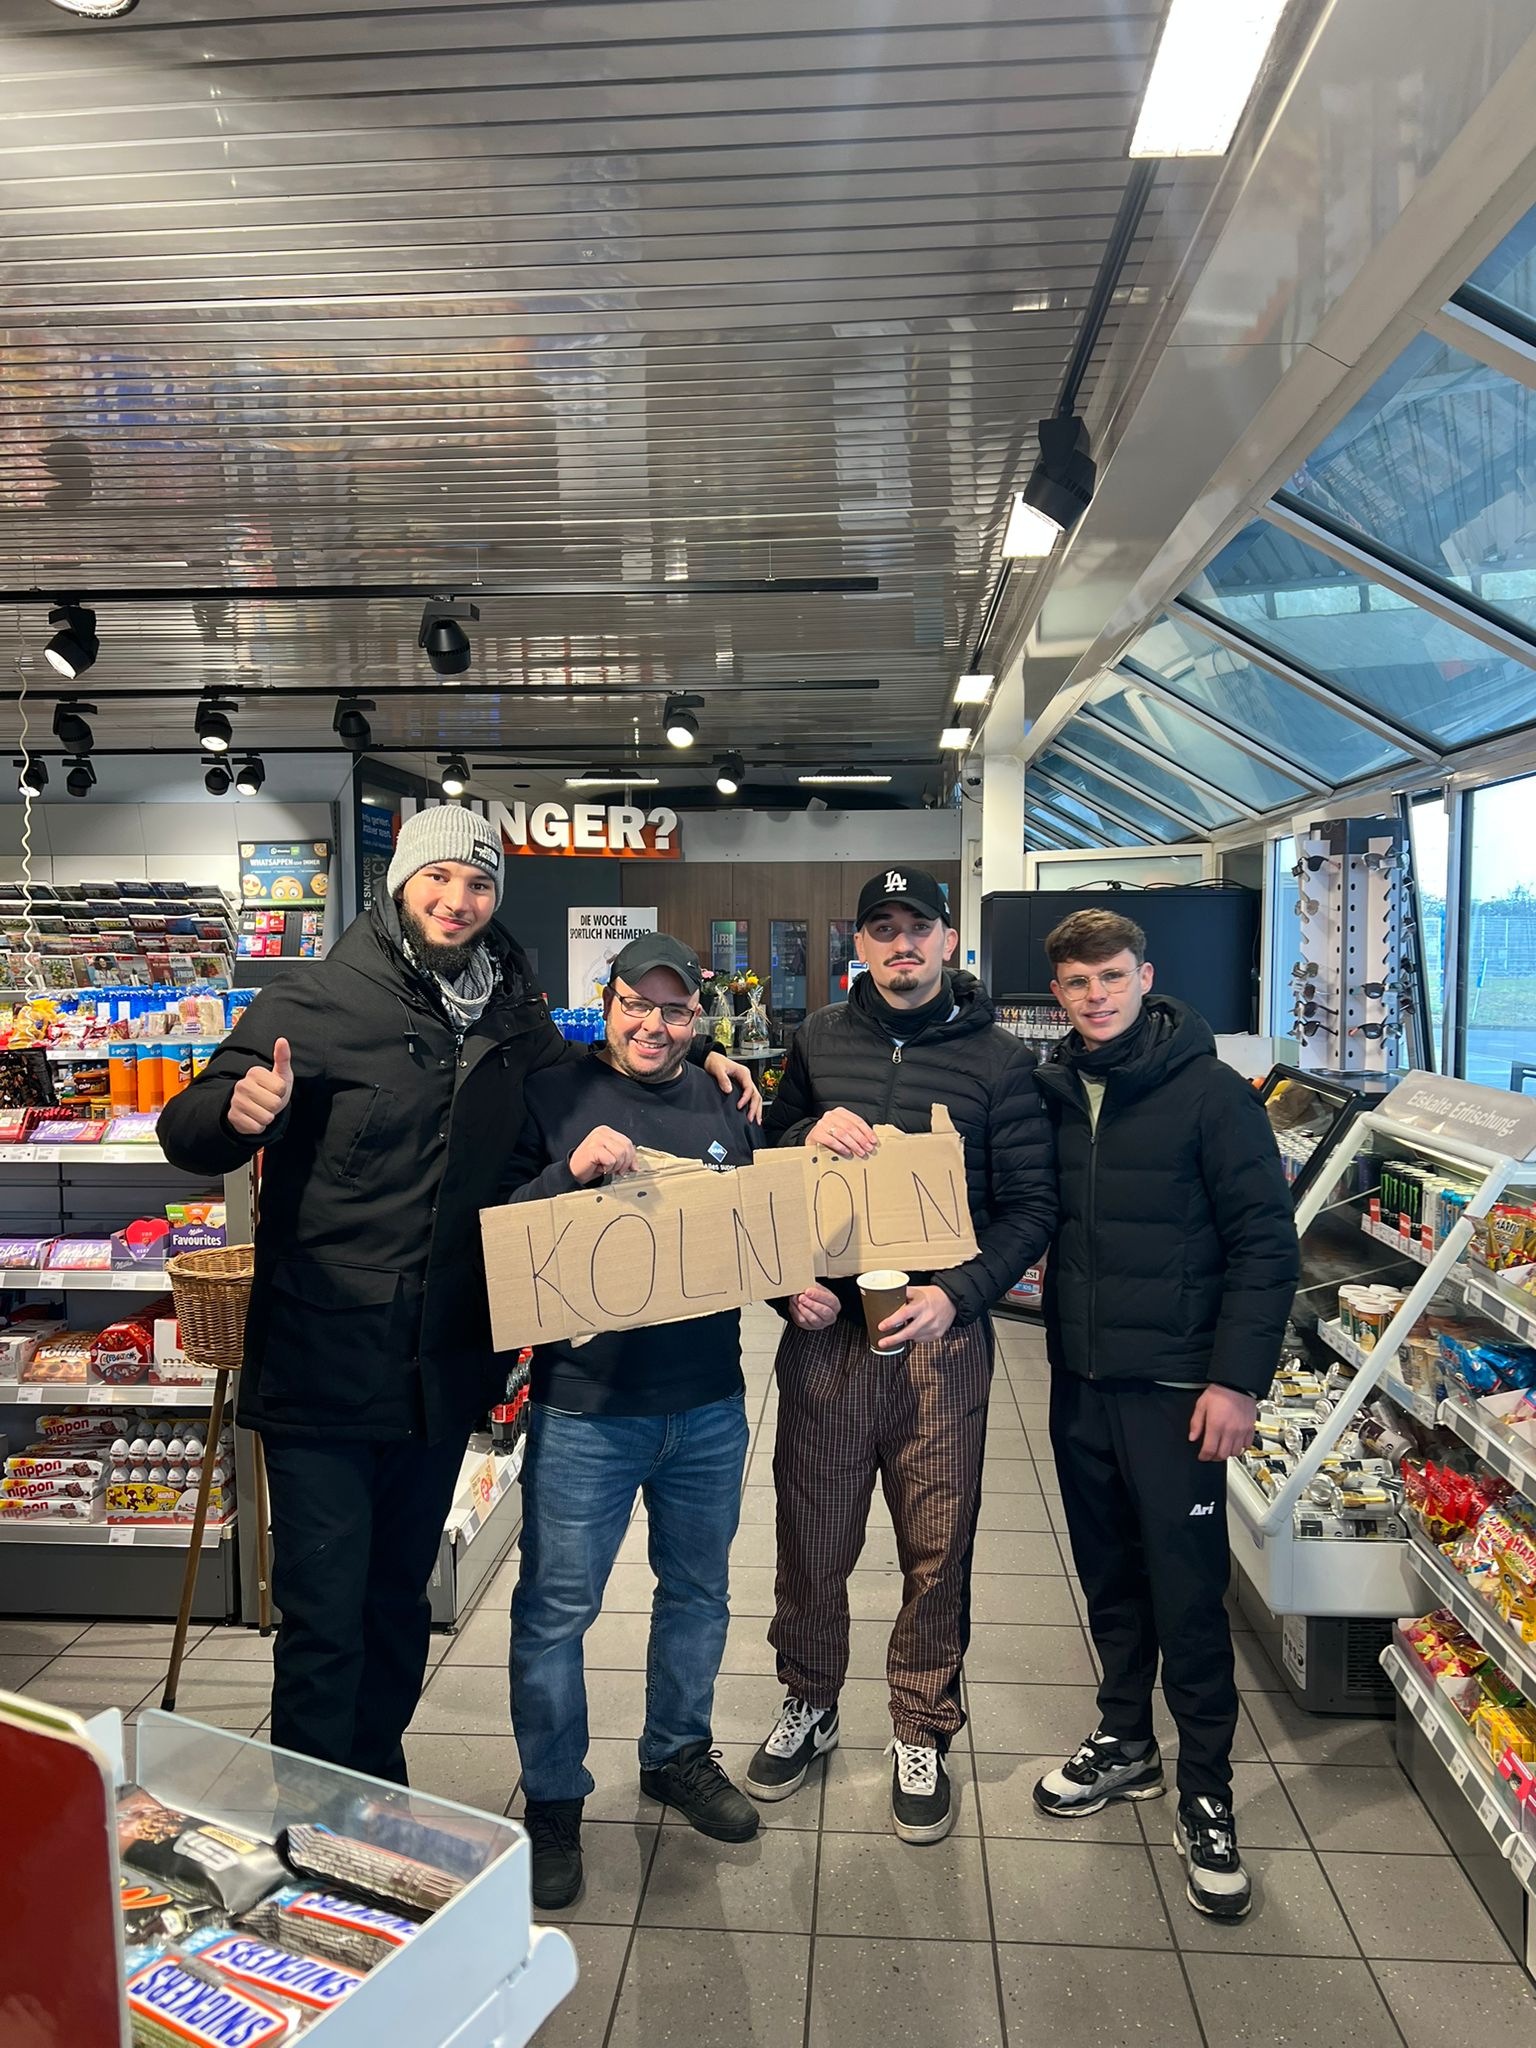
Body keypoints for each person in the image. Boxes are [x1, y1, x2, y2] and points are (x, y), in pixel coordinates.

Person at [157, 807, 757, 1784]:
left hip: (438, 1371)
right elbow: (185, 1129)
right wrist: (233, 1109)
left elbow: (608, 1068)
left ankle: (377, 1798)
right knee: (324, 1618)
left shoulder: (514, 1017)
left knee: (399, 1604)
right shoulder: (314, 999)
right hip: (321, 1365)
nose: (458, 898)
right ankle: (312, 1828)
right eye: (439, 877)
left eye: (478, 883)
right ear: (401, 881)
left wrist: (705, 1064)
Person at [745, 867, 1056, 1843]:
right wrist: (805, 1131)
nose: (901, 943)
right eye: (882, 928)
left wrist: (957, 1293)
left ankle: (921, 1726)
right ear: (862, 945)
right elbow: (768, 1169)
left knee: (936, 1546)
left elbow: (1031, 1208)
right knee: (812, 1535)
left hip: (940, 1343)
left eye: (917, 925)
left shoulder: (1001, 1059)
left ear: (947, 939)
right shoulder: (817, 1040)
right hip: (830, 1338)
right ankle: (810, 1698)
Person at [1030, 908, 1298, 1921]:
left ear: (1145, 977)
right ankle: (1126, 1740)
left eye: (1111, 976)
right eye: (1076, 982)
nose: (1095, 995)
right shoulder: (1054, 1088)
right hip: (1081, 1380)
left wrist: (1237, 1380)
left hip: (1181, 1393)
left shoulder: (1212, 1094)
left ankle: (1207, 1791)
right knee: (1108, 1576)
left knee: (1187, 1593)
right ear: (1056, 993)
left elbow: (1266, 1243)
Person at [502, 933, 760, 1911]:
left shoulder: (726, 1100)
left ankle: (676, 1754)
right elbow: (501, 1232)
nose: (654, 1024)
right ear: (605, 1002)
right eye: (635, 1004)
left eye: (675, 1008)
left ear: (698, 1017)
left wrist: (801, 1293)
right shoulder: (552, 1094)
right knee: (555, 1612)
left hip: (709, 1402)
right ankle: (554, 1800)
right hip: (587, 1408)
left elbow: (751, 1231)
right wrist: (568, 1173)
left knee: (698, 1594)